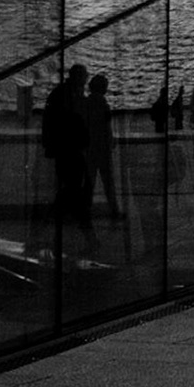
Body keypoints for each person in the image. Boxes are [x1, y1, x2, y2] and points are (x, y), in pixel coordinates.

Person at [40, 63, 97, 253]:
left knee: (73, 189)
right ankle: (85, 230)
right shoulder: (69, 97)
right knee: (75, 190)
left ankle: (61, 224)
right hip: (69, 150)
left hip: (66, 150)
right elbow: (73, 123)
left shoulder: (62, 94)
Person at [82, 72, 124, 224]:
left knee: (89, 183)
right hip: (102, 149)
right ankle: (114, 210)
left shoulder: (86, 103)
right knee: (108, 182)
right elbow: (106, 128)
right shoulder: (103, 104)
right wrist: (110, 142)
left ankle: (85, 212)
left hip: (90, 148)